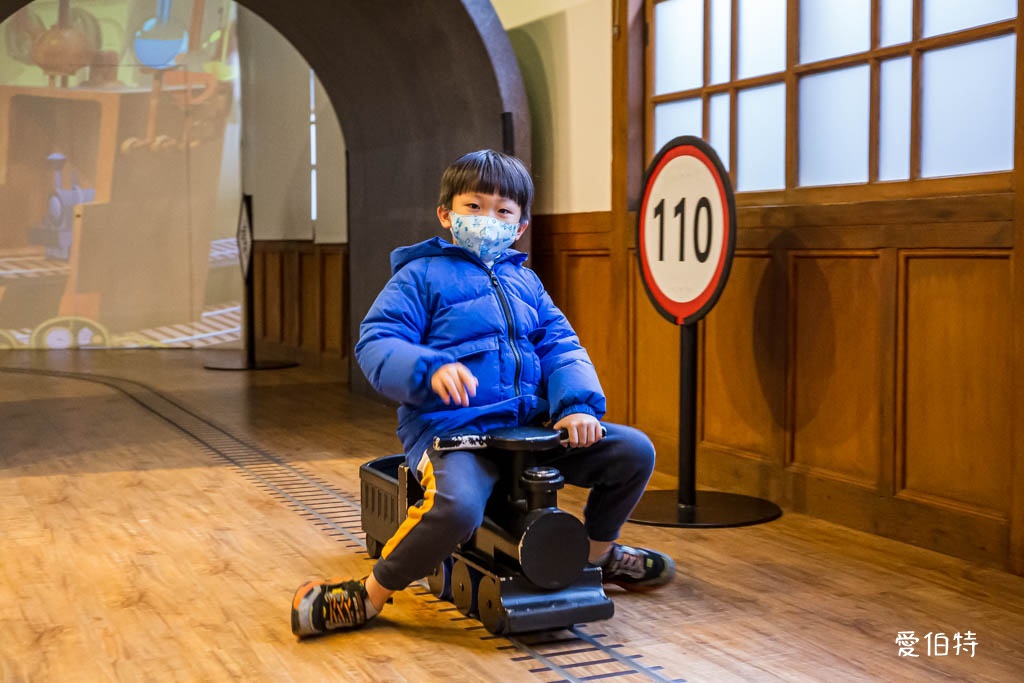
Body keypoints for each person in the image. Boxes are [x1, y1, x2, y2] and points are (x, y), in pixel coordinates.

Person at [291, 149, 674, 637]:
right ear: (445, 214)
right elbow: (377, 342)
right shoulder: (420, 276)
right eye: (473, 206)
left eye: (503, 210)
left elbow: (561, 346)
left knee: (633, 451)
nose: (487, 218)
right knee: (457, 507)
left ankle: (598, 556)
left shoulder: (527, 283)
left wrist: (576, 406)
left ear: (520, 226)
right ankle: (369, 595)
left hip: (529, 429)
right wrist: (428, 368)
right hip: (454, 433)